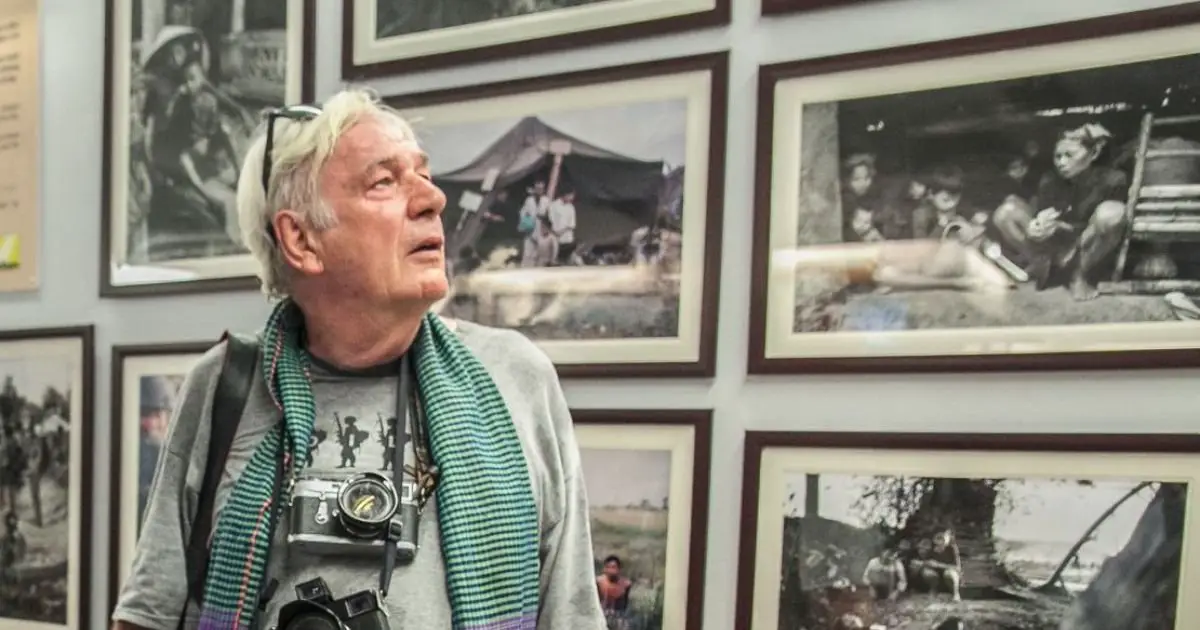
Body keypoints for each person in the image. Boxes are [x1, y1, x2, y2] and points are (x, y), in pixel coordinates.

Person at [110, 89, 606, 630]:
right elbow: (147, 616)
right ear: (301, 240)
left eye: (423, 174)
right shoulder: (226, 385)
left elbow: (572, 615)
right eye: (384, 182)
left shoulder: (516, 377)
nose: (432, 199)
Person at [992, 123, 1130, 301]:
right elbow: (1045, 213)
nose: (1062, 162)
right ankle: (1043, 265)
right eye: (1058, 156)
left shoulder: (1113, 180)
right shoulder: (1050, 180)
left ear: (1093, 154)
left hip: (1087, 248)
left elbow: (1102, 229)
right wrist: (1037, 226)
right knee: (1005, 213)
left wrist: (1060, 226)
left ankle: (1079, 275)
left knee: (1113, 213)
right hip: (1056, 246)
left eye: (1069, 155)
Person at [596, 555, 633, 630]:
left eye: (613, 567)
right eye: (608, 567)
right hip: (601, 615)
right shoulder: (599, 582)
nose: (611, 570)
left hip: (619, 617)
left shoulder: (626, 584)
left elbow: (626, 603)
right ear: (605, 569)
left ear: (619, 569)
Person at [548, 190, 577, 265]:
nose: (572, 198)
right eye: (570, 195)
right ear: (565, 195)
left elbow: (571, 225)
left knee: (569, 260)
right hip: (555, 238)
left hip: (567, 239)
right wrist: (555, 232)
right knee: (555, 260)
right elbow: (550, 221)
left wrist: (562, 231)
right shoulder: (554, 205)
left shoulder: (571, 207)